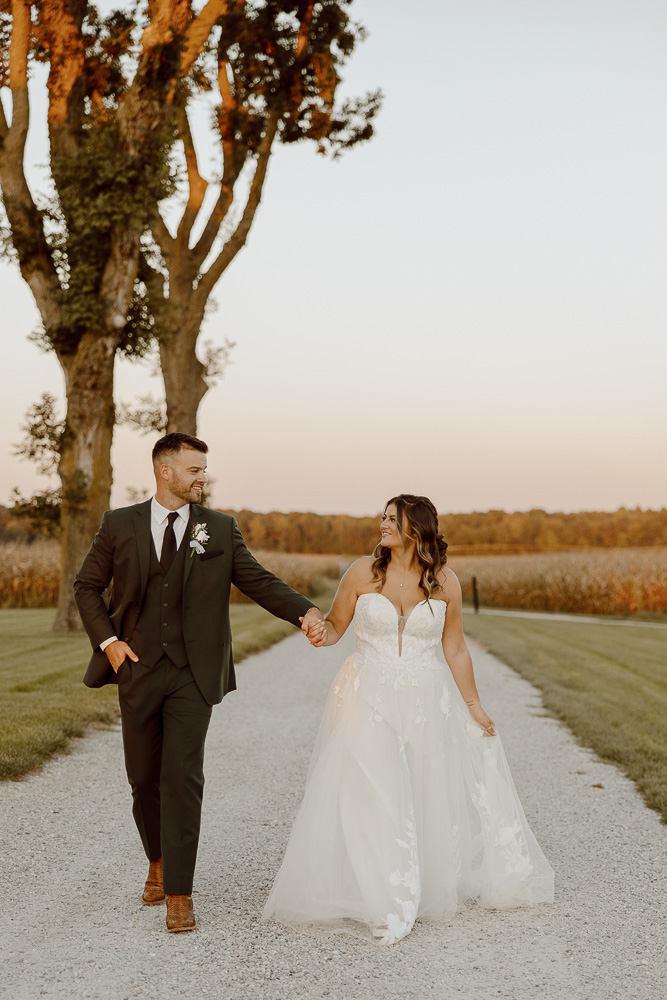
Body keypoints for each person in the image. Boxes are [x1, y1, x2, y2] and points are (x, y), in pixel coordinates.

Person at [262, 494, 554, 944]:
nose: (382, 524)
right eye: (382, 517)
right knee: (372, 788)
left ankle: (415, 884)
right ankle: (383, 897)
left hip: (424, 698)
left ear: (416, 529)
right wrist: (318, 630)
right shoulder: (361, 572)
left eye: (391, 519)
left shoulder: (446, 583)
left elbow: (454, 649)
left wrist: (474, 705)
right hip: (367, 692)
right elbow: (336, 627)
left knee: (419, 787)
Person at [74, 432, 325, 933]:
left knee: (182, 778)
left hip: (194, 674)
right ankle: (158, 862)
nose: (202, 478)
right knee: (143, 778)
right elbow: (86, 586)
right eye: (194, 470)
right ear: (164, 471)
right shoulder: (119, 525)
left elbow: (259, 581)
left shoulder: (219, 528)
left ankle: (179, 893)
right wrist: (110, 643)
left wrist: (306, 612)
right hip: (137, 669)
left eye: (204, 470)